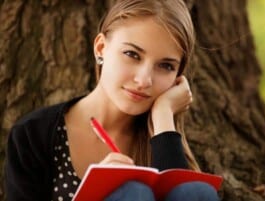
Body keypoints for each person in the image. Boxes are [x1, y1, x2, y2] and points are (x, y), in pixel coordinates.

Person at [4, 0, 220, 200]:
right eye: (132, 54)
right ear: (101, 48)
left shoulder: (164, 141)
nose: (144, 80)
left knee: (197, 191)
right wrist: (95, 191)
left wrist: (163, 115)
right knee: (134, 192)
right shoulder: (33, 134)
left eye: (166, 66)